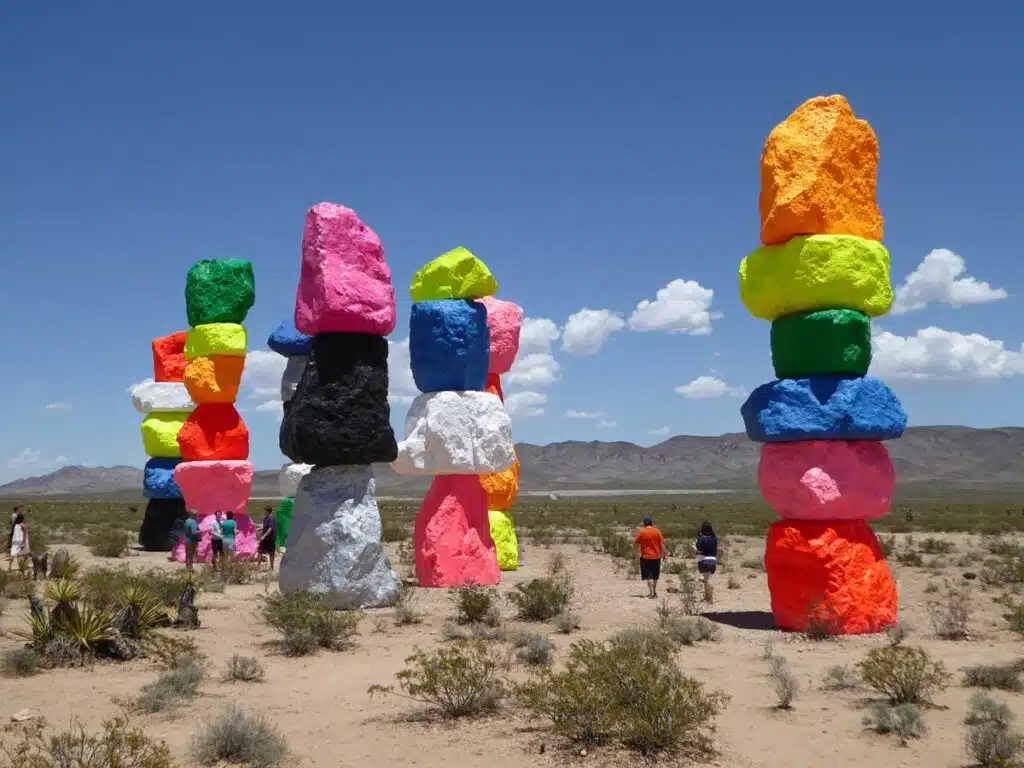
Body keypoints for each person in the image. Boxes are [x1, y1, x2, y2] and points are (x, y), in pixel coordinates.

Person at [634, 515, 665, 599]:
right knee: (655, 575)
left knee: (648, 575)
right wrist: (664, 554)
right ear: (651, 523)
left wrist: (636, 553)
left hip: (646, 556)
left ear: (644, 523)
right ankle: (654, 592)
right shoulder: (657, 531)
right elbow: (662, 544)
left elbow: (636, 543)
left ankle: (651, 593)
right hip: (657, 556)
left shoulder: (642, 532)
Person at [695, 521, 718, 604]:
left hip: (704, 560)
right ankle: (706, 597)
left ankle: (710, 598)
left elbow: (699, 549)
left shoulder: (702, 538)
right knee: (707, 579)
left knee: (708, 580)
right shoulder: (714, 538)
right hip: (713, 560)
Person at [258, 506, 277, 570]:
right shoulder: (265, 518)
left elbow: (270, 529)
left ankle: (272, 567)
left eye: (265, 511)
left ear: (268, 511)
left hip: (270, 538)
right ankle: (258, 567)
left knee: (271, 553)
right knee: (260, 551)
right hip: (264, 538)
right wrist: (259, 529)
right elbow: (264, 526)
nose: (264, 512)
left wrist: (264, 536)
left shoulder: (271, 518)